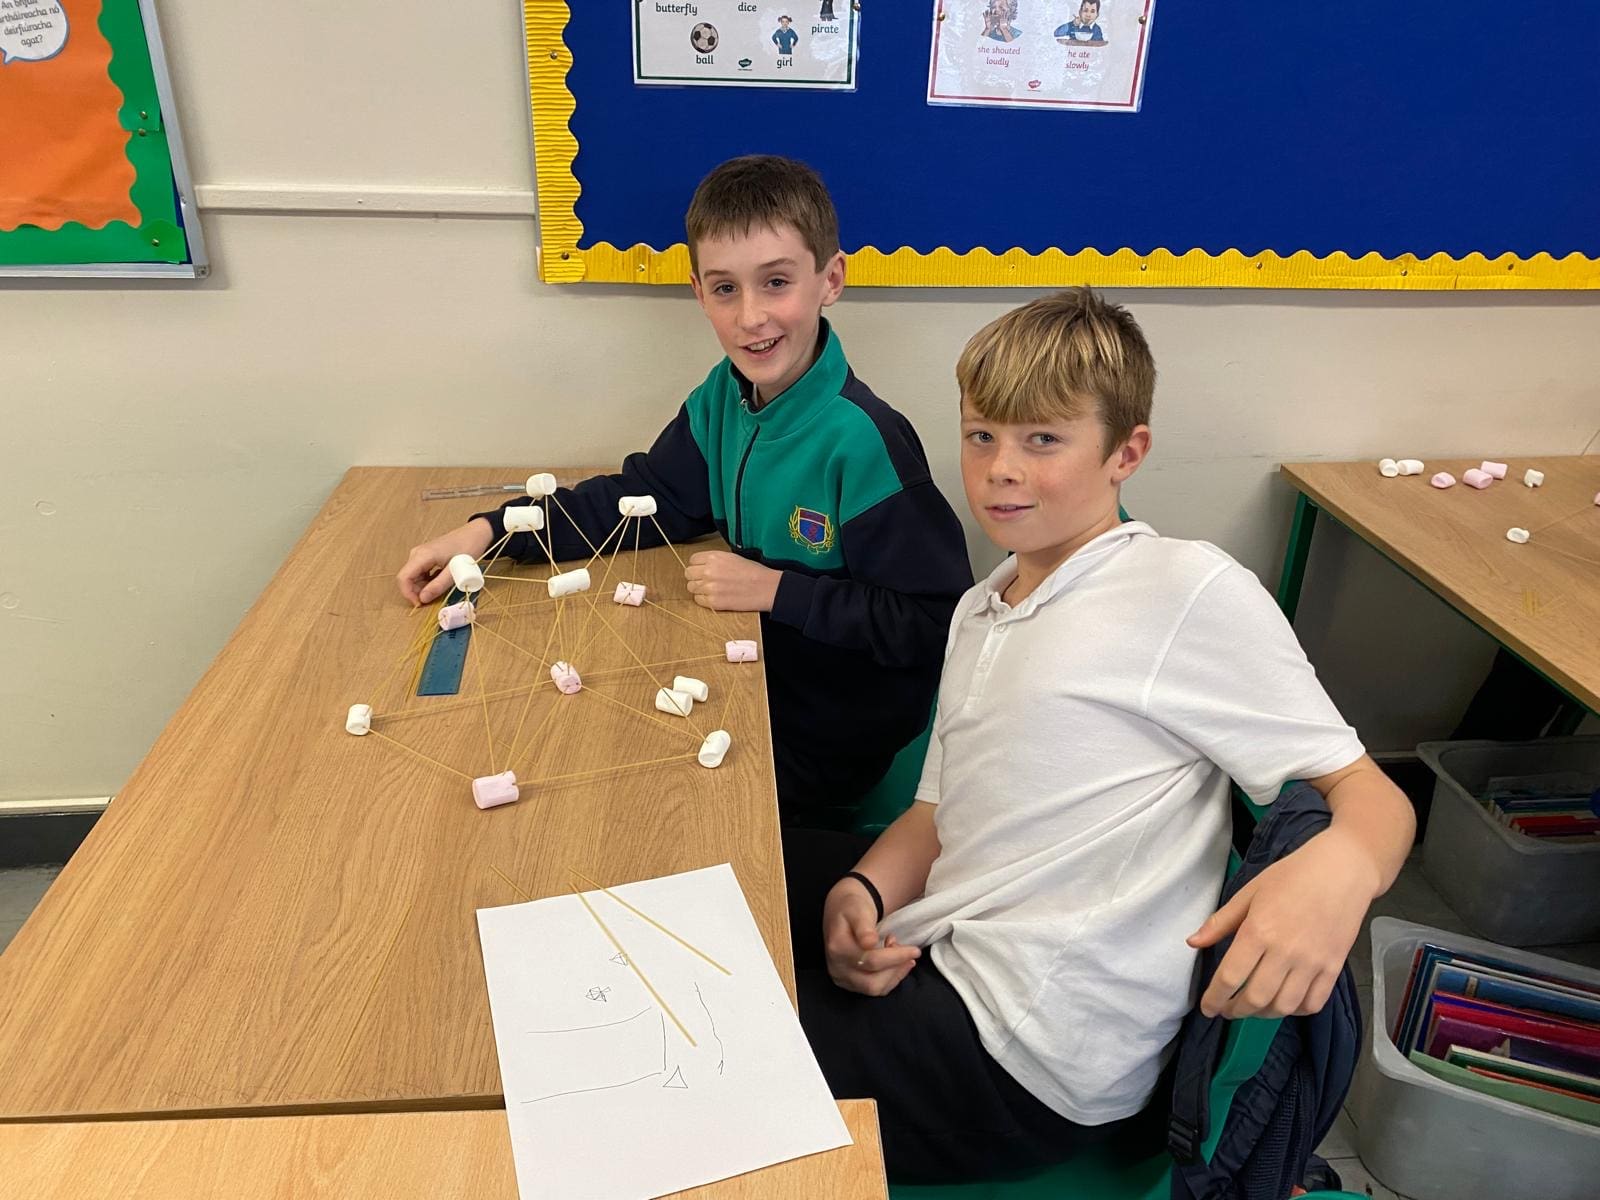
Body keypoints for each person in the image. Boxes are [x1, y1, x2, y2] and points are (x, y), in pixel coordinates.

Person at [787, 289, 1416, 1182]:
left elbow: (1374, 798)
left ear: (1127, 452)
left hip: (1024, 1059)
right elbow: (938, 809)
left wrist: (1340, 870)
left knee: (699, 1039)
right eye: (981, 435)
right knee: (733, 861)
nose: (1001, 469)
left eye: (1043, 439)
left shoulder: (1184, 589)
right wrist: (862, 890)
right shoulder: (981, 608)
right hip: (955, 941)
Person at [395, 156, 972, 830]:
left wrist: (776, 590)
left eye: (776, 282)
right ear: (699, 292)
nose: (751, 316)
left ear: (830, 280)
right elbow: (641, 498)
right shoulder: (722, 399)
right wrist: (492, 530)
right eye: (726, 288)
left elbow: (935, 622)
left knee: (623, 808)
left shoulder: (865, 442)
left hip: (829, 735)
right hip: (751, 675)